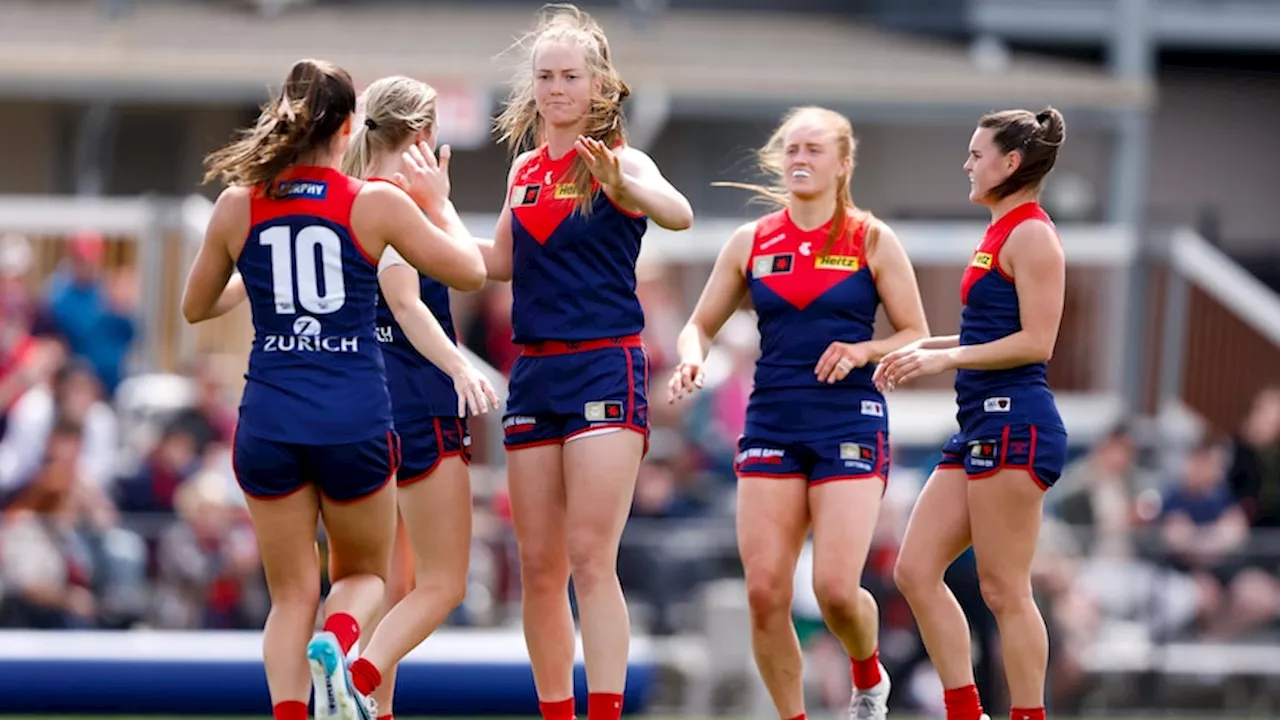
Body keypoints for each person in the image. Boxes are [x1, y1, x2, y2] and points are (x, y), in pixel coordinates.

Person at [181, 58, 486, 720]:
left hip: (266, 420)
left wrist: (256, 273)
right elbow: (467, 272)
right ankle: (340, 644)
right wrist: (437, 203)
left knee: (290, 595)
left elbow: (195, 308)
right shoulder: (373, 204)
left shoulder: (239, 205)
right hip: (352, 419)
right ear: (349, 128)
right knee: (364, 577)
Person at [668, 106, 929, 720]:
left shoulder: (870, 238)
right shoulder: (751, 242)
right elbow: (699, 325)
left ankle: (869, 677)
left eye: (814, 149)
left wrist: (865, 348)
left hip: (848, 421)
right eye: (791, 149)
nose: (800, 160)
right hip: (772, 424)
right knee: (764, 592)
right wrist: (692, 360)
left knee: (836, 591)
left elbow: (915, 332)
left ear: (843, 163)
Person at [481, 5, 694, 720]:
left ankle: (603, 710)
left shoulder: (620, 160)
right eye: (545, 76)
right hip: (535, 373)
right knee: (538, 567)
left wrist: (627, 187)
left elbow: (678, 213)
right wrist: (415, 219)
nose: (556, 88)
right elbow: (495, 264)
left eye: (570, 75)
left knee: (588, 556)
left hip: (606, 367)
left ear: (599, 84)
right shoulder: (522, 172)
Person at [876, 107, 1069, 720]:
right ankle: (966, 710)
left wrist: (946, 359)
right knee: (914, 570)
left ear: (1011, 164)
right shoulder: (1000, 231)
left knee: (1004, 589)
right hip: (981, 424)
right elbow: (988, 330)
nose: (967, 163)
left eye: (977, 153)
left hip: (1017, 421)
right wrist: (926, 348)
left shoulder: (1033, 233)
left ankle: (1027, 714)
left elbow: (1037, 342)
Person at [337, 74, 501, 720]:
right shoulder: (394, 200)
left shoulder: (346, 198)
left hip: (357, 408)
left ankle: (371, 703)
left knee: (388, 584)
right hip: (416, 405)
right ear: (422, 134)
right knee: (443, 582)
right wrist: (457, 365)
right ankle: (359, 675)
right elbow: (408, 301)